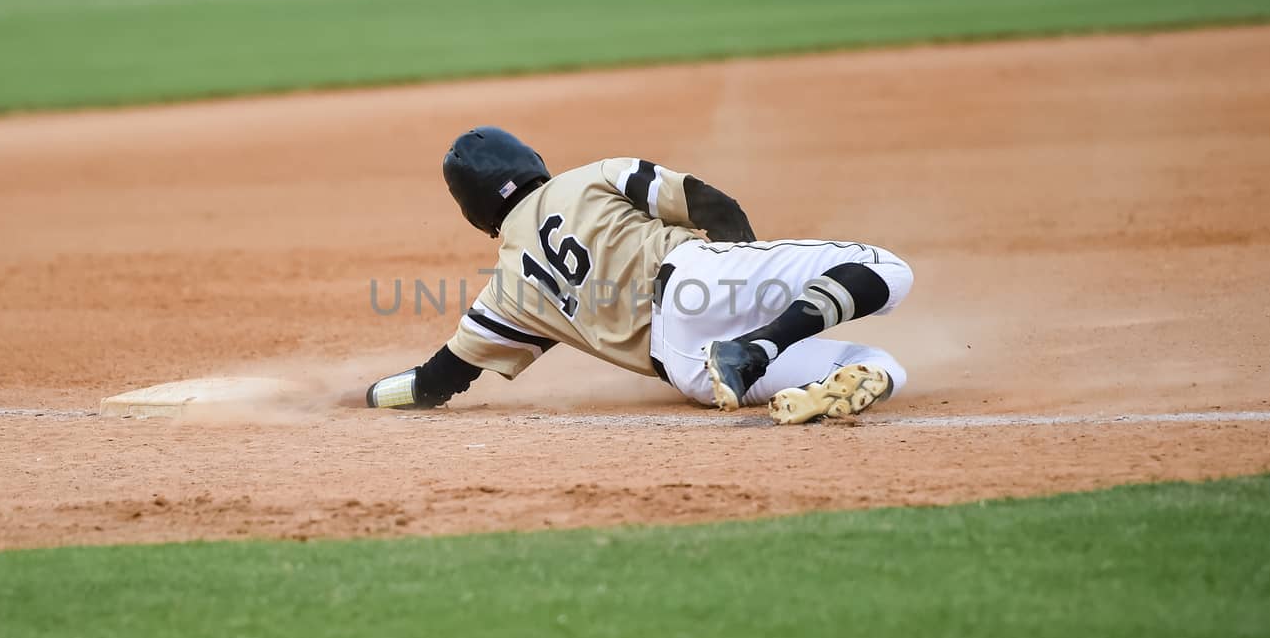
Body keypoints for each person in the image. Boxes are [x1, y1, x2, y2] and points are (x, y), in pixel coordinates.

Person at [365, 127, 913, 424]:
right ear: (532, 160)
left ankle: (782, 370)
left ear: (474, 213)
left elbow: (431, 385)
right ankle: (760, 347)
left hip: (687, 370)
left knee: (869, 364)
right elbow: (711, 205)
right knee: (886, 269)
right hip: (692, 278)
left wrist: (360, 397)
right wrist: (744, 279)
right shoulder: (592, 178)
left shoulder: (504, 293)